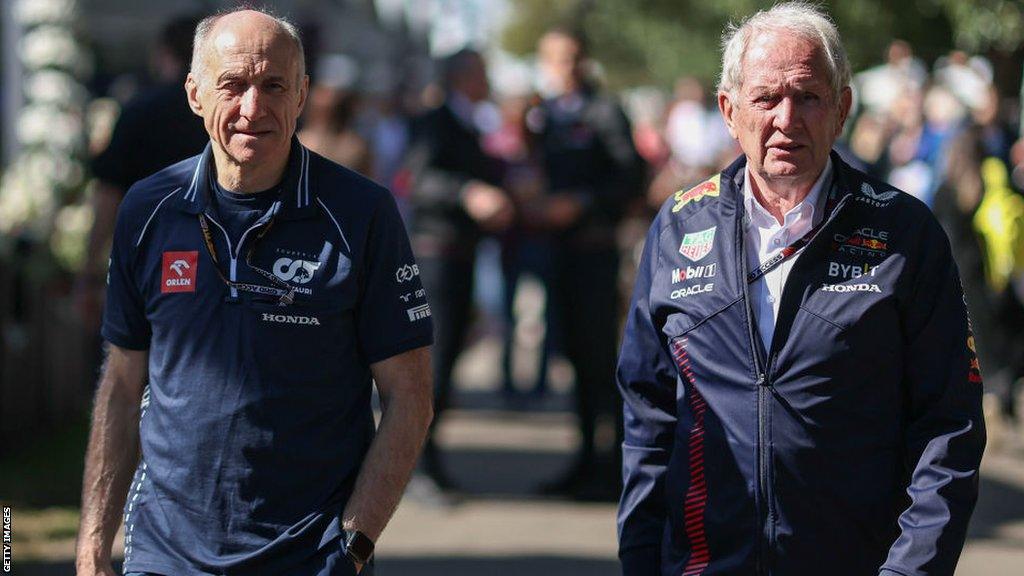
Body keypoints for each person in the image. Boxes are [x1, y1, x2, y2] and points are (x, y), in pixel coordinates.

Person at [617, 4, 985, 575]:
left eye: (809, 97)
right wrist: (641, 562)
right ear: (728, 110)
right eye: (765, 98)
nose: (786, 120)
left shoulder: (904, 233)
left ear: (842, 110)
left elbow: (950, 426)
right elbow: (648, 417)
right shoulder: (679, 225)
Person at [75, 9, 433, 576]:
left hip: (309, 558)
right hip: (164, 557)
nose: (252, 108)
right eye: (232, 85)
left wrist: (355, 545)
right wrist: (93, 548)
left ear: (302, 96)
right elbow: (121, 387)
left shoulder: (361, 213)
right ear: (195, 94)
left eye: (273, 86)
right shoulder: (148, 210)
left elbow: (410, 397)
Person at [529, 26, 645, 498]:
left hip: (595, 251)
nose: (566, 68)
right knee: (574, 358)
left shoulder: (605, 110)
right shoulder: (545, 116)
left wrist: (582, 203)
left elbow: (630, 176)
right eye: (556, 59)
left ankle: (613, 464)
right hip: (559, 252)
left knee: (602, 361)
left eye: (573, 58)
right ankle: (583, 459)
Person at [404, 48, 512, 489]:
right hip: (436, 255)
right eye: (483, 72)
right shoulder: (436, 121)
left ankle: (430, 458)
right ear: (464, 77)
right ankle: (417, 463)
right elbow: (421, 179)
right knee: (434, 359)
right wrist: (468, 192)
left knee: (447, 361)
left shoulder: (470, 121)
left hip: (461, 252)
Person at [75, 14, 209, 329]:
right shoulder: (225, 116)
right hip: (217, 262)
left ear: (164, 54)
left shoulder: (140, 110)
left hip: (147, 262)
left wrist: (90, 271)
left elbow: (109, 194)